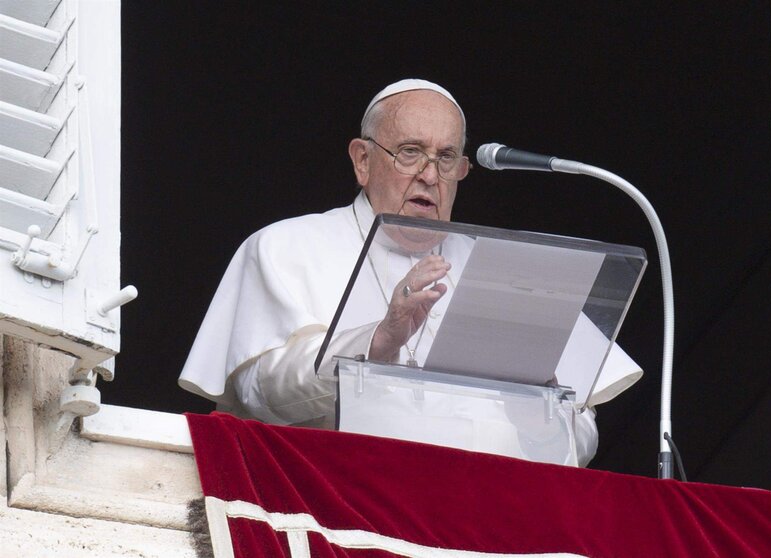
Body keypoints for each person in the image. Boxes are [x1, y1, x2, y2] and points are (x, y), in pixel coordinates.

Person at [179, 79, 642, 466]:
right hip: (341, 512)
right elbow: (259, 393)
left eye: (445, 158)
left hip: (485, 523)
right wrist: (376, 343)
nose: (429, 174)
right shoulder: (285, 246)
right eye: (409, 152)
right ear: (363, 160)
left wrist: (539, 413)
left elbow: (581, 437)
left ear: (462, 170)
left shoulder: (510, 272)